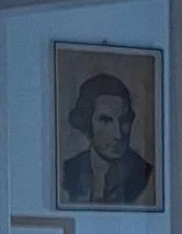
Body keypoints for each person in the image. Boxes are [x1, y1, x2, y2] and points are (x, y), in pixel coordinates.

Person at [61, 68, 154, 206]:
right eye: (105, 121)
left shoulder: (146, 174)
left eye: (124, 120)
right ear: (87, 123)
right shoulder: (68, 171)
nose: (118, 134)